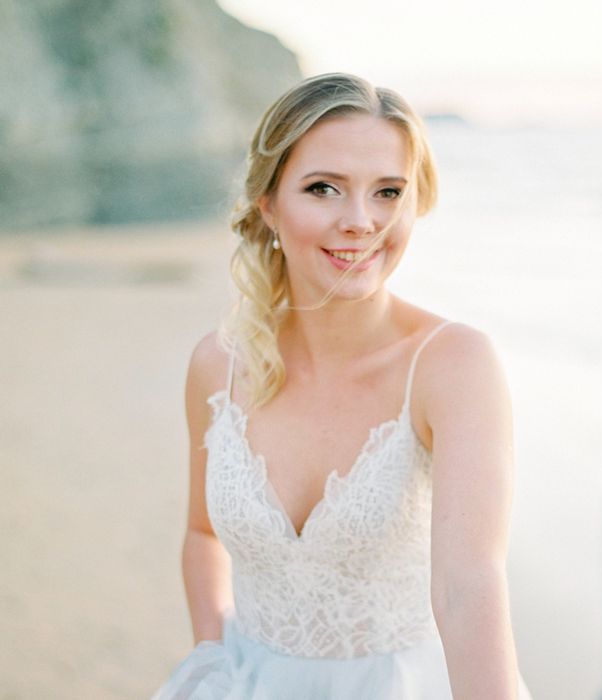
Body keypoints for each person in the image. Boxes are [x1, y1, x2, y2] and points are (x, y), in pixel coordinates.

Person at [152, 72, 531, 700]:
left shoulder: (453, 364)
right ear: (269, 203)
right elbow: (202, 534)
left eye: (388, 192)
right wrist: (212, 660)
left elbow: (469, 587)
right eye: (323, 188)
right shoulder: (215, 366)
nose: (361, 222)